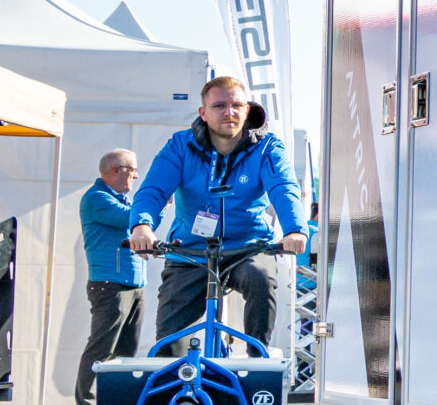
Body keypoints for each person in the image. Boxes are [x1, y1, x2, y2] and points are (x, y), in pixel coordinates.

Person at [126, 78, 308, 355]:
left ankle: (255, 358)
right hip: (191, 251)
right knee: (168, 344)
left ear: (247, 110)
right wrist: (142, 225)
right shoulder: (180, 146)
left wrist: (295, 230)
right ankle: (173, 382)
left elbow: (284, 188)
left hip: (247, 247)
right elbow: (153, 189)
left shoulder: (267, 146)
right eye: (219, 106)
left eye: (236, 105)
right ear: (203, 112)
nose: (229, 112)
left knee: (261, 279)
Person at [75, 149, 144, 405]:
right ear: (116, 170)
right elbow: (133, 220)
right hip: (110, 285)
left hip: (131, 284)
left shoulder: (118, 199)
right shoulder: (97, 199)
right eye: (133, 170)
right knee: (102, 348)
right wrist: (157, 203)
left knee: (126, 351)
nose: (136, 176)